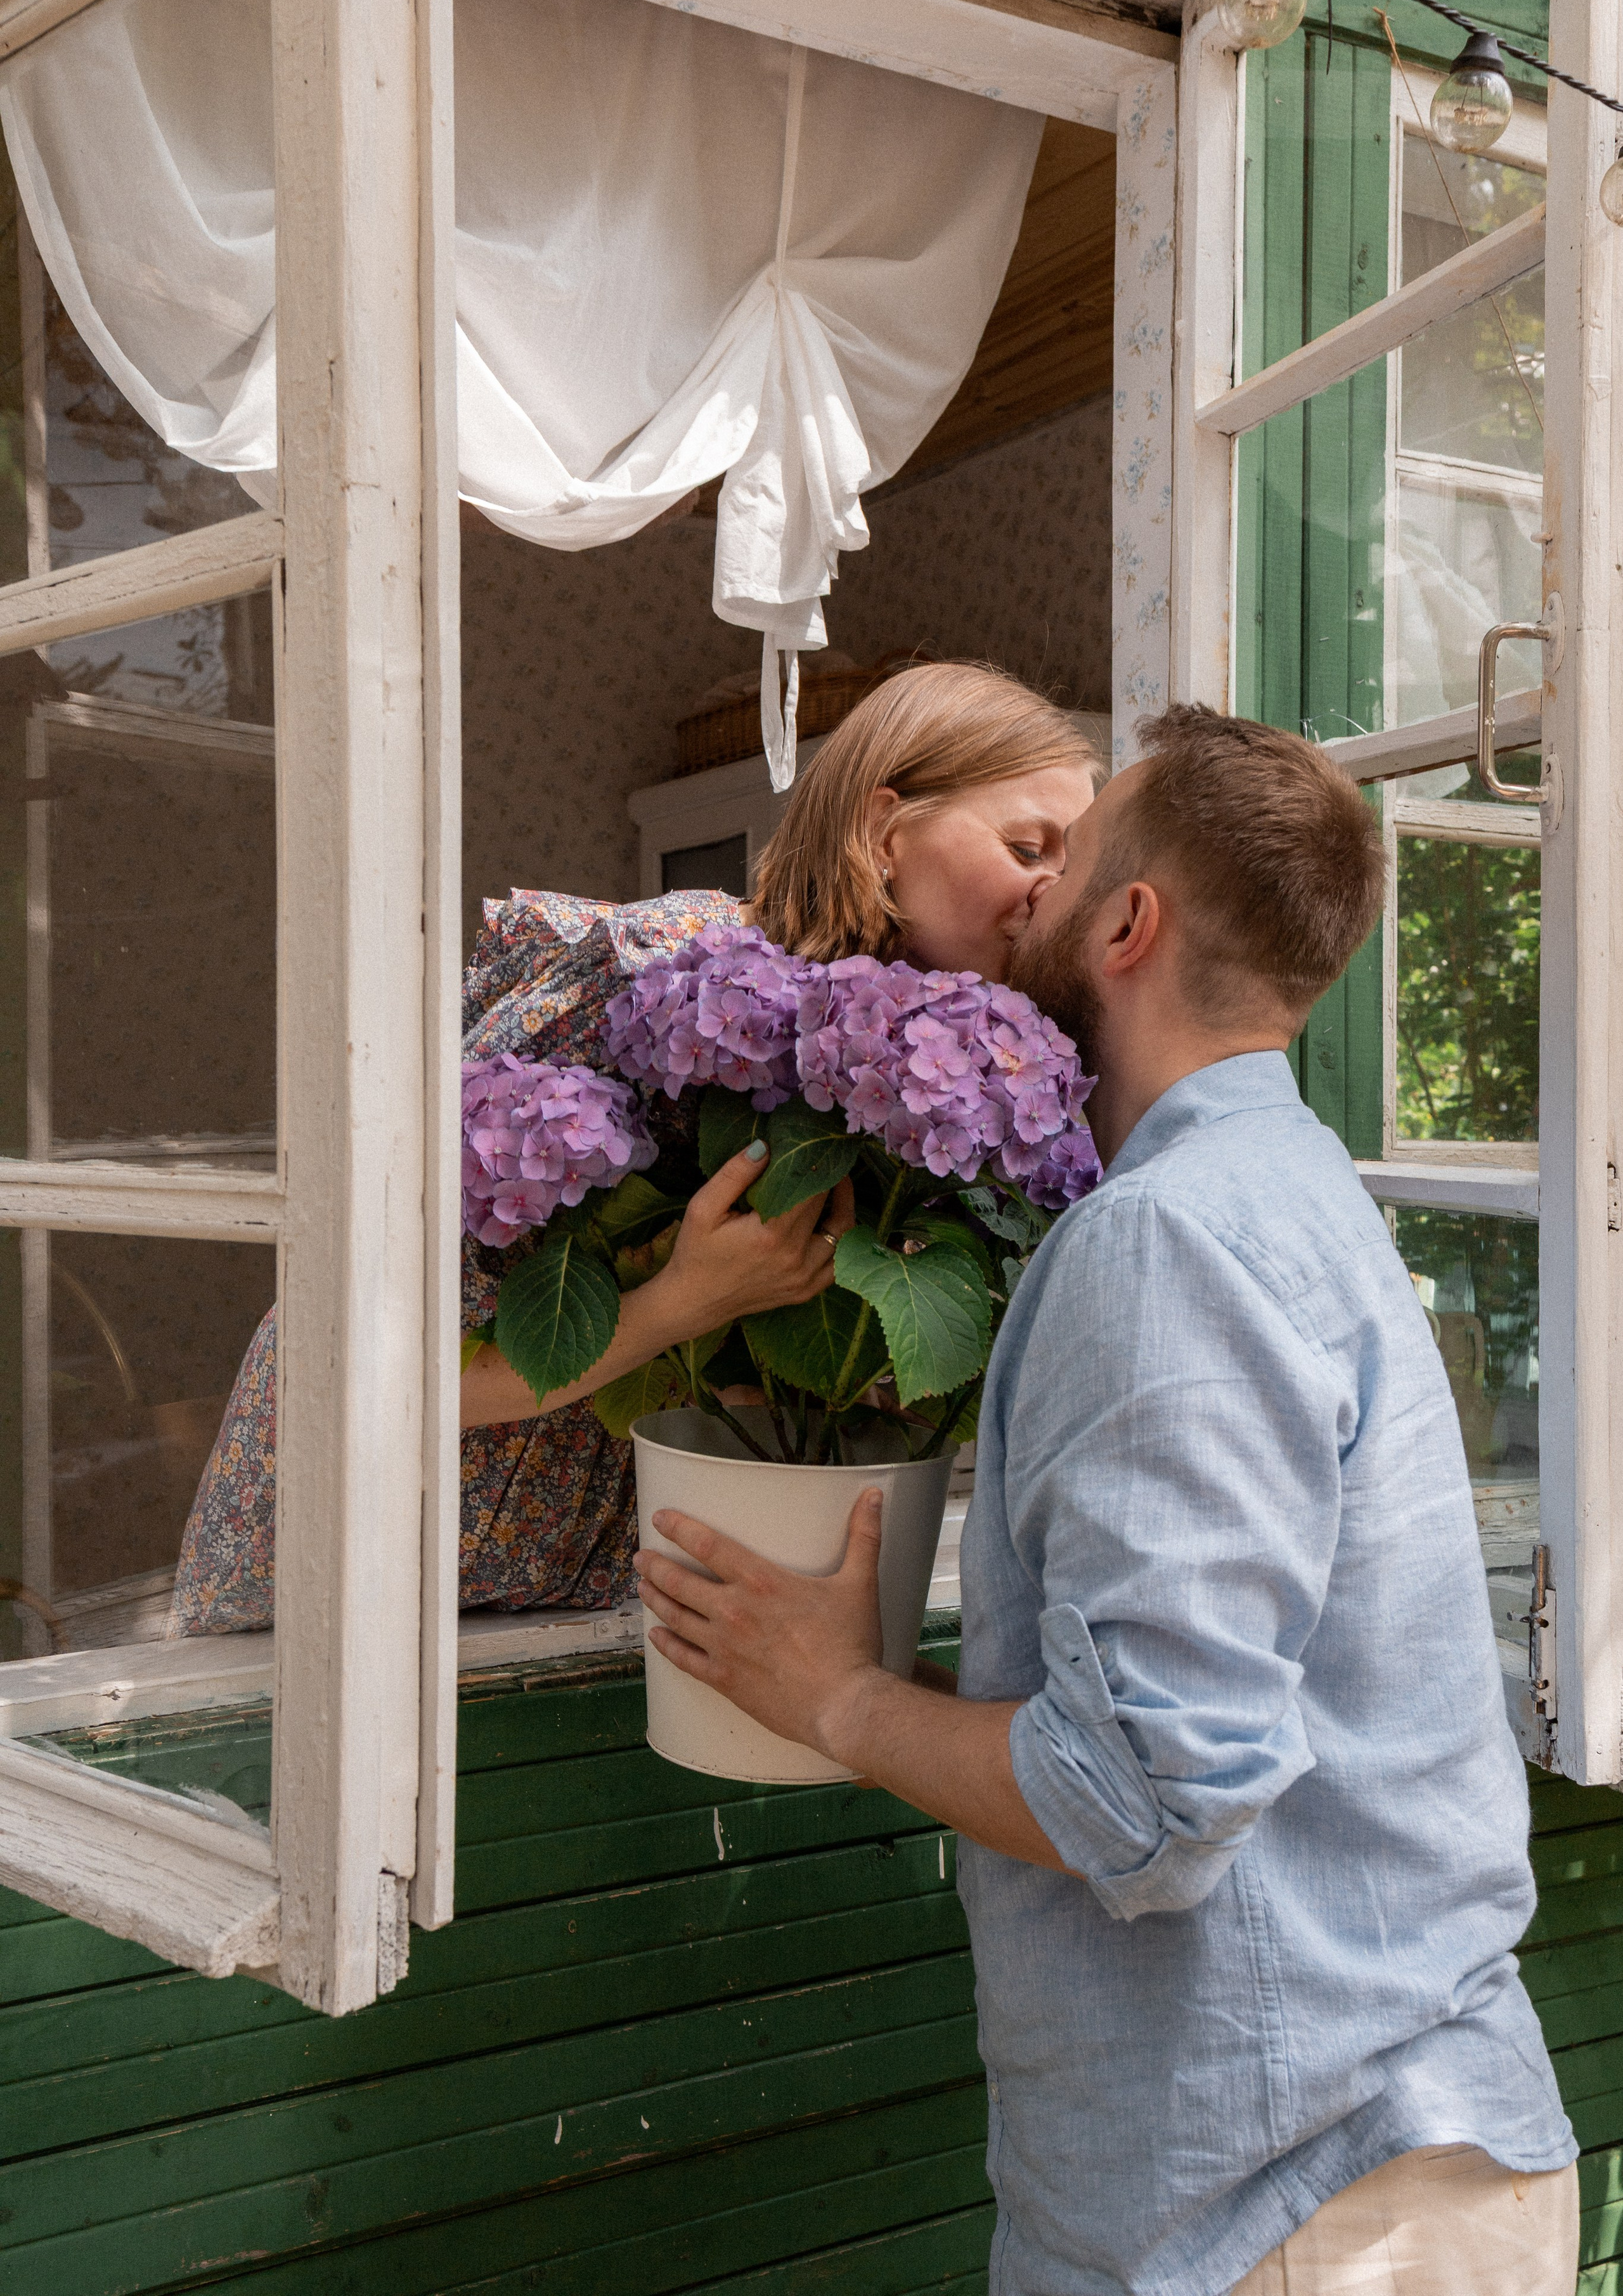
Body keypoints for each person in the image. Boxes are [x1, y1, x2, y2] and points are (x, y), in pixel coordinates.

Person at [633, 705, 1579, 2296]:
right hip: (1362, 2170)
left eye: (1061, 860)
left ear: (1127, 928)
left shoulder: (1166, 1246)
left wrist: (840, 1697)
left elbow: (1143, 1792)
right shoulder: (1287, 1195)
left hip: (1287, 2210)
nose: (1026, 891)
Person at [167, 661, 1099, 1634]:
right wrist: (687, 1296)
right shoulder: (659, 976)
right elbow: (348, 1371)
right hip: (347, 1598)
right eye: (1027, 846)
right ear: (883, 831)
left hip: (579, 1607)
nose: (1052, 893)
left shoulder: (901, 1106)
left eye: (1070, 871)